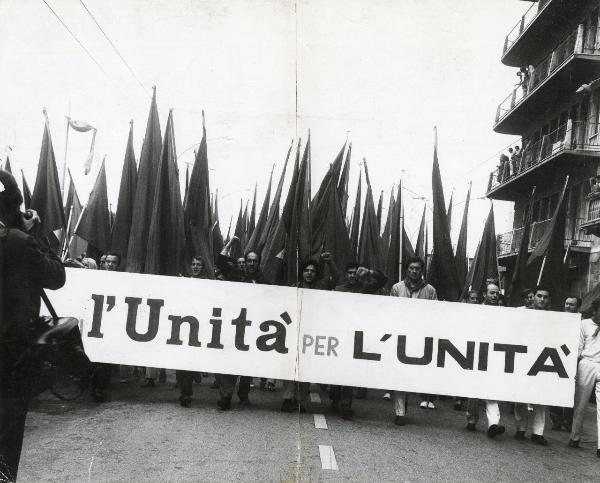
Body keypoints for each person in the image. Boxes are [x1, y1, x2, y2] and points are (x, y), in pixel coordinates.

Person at [0, 170, 66, 481]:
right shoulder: (18, 242)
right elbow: (56, 276)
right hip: (10, 354)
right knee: (6, 433)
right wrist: (34, 232)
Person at [217, 249, 269, 410]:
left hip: (254, 329)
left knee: (247, 364)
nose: (252, 263)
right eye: (249, 261)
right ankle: (226, 396)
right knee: (231, 363)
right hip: (236, 326)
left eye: (255, 261)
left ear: (258, 263)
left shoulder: (264, 281)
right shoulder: (236, 276)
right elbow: (219, 261)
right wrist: (232, 243)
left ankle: (243, 395)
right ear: (245, 262)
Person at [389, 256, 437, 425]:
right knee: (400, 373)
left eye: (417, 268)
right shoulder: (397, 288)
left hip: (420, 337)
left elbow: (435, 314)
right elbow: (391, 311)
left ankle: (410, 400)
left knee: (412, 375)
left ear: (421, 271)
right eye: (411, 268)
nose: (414, 271)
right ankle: (400, 412)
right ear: (407, 270)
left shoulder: (430, 290)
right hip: (401, 336)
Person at [465, 284, 505, 438]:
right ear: (485, 294)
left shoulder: (503, 313)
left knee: (491, 391)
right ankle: (471, 419)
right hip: (476, 353)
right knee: (473, 391)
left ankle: (493, 424)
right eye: (492, 293)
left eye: (497, 293)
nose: (495, 296)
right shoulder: (476, 311)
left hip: (495, 354)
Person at [514, 286, 552, 445]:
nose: (542, 299)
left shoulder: (554, 317)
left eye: (545, 297)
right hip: (524, 356)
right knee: (520, 394)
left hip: (543, 358)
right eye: (539, 296)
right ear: (533, 297)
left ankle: (538, 432)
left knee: (541, 396)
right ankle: (520, 429)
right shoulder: (522, 313)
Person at [569, 298, 600, 457]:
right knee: (580, 403)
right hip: (586, 364)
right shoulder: (584, 324)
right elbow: (578, 347)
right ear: (595, 310)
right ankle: (575, 437)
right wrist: (573, 368)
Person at [178, 255, 209, 407]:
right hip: (184, 324)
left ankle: (186, 393)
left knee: (189, 361)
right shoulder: (185, 281)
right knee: (183, 362)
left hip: (199, 326)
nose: (196, 267)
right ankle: (185, 390)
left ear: (203, 267)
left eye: (199, 265)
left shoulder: (208, 284)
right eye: (194, 264)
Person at [549, 296, 581, 431]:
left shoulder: (581, 323)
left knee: (571, 393)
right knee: (554, 389)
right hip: (556, 358)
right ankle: (556, 419)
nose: (568, 307)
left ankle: (568, 421)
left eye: (572, 305)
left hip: (573, 360)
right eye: (566, 304)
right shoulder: (558, 320)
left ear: (578, 307)